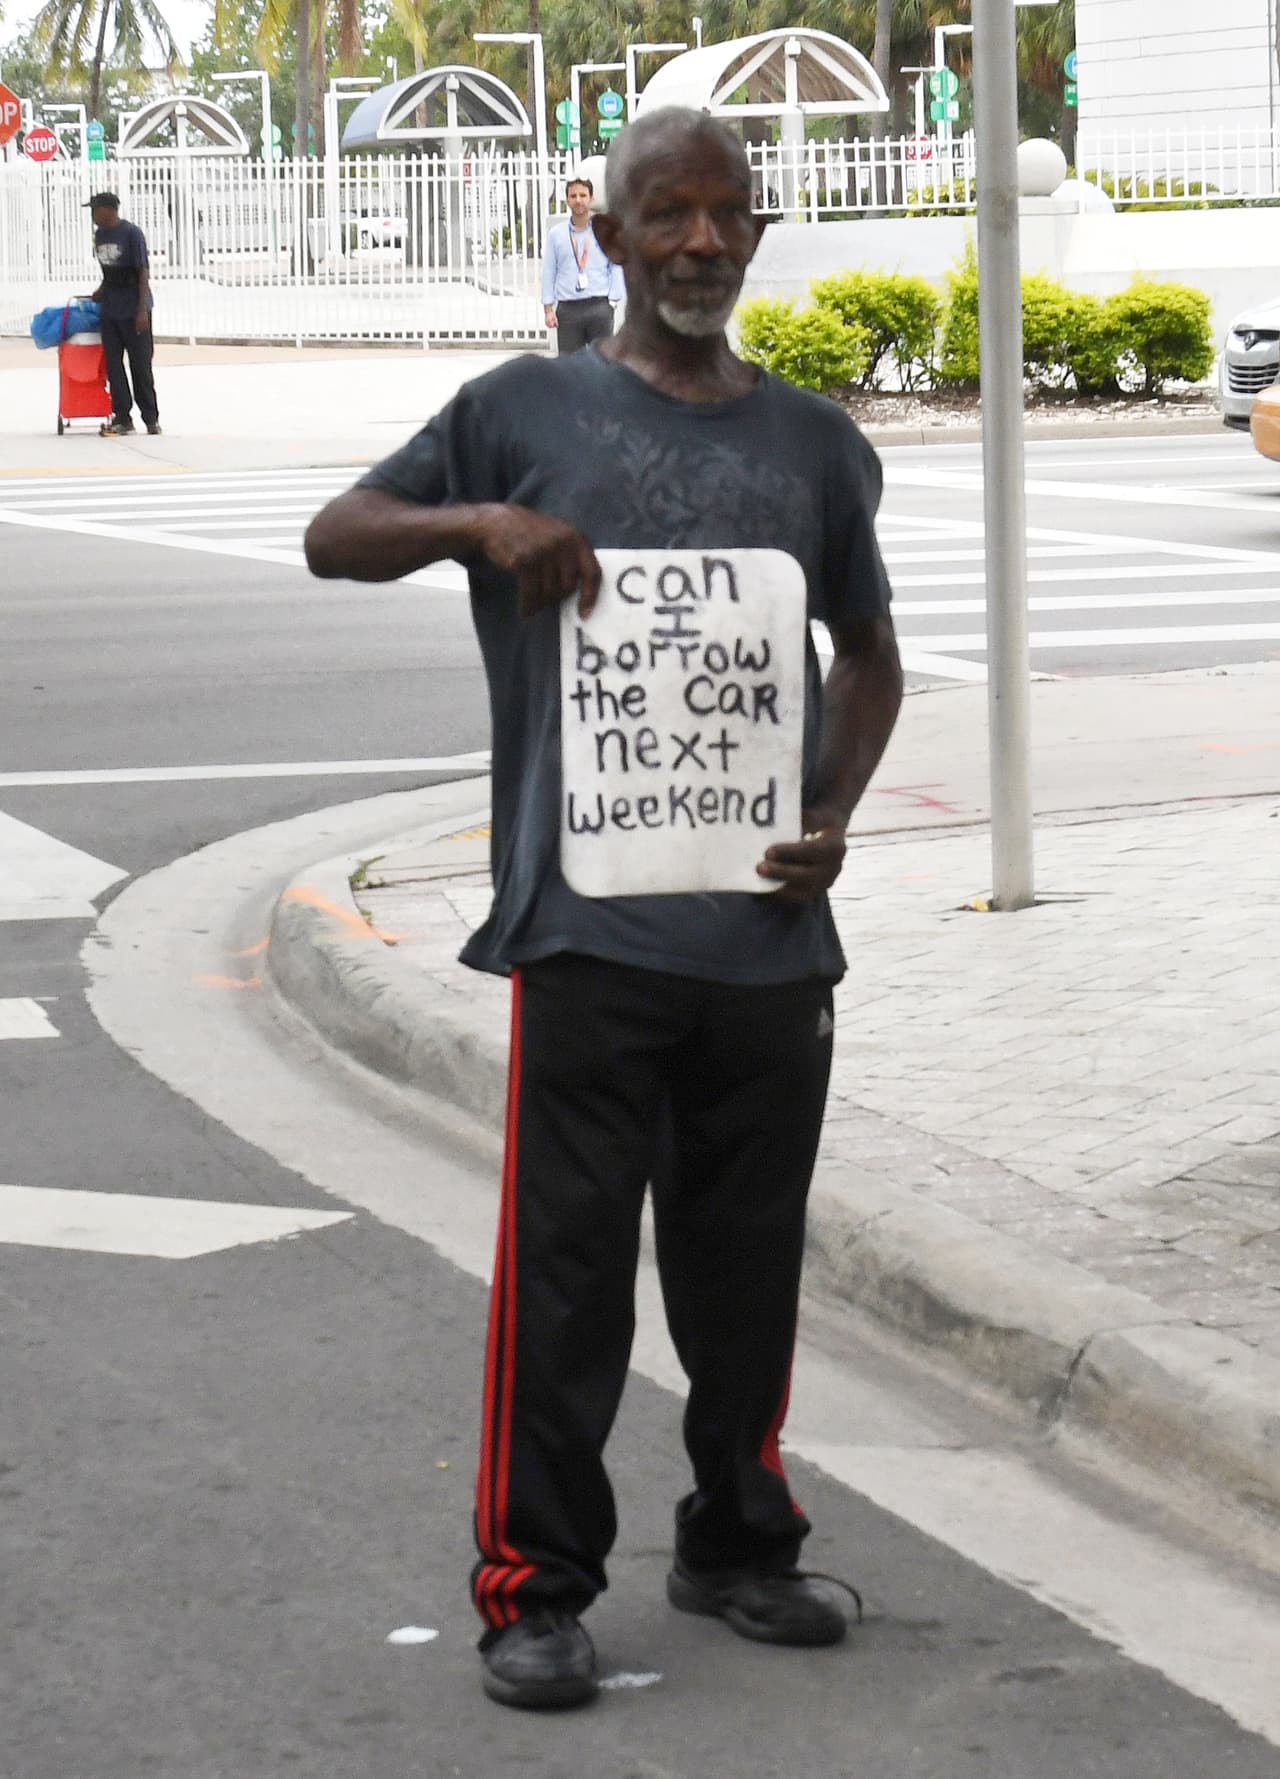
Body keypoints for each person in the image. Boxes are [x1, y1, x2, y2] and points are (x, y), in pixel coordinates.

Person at [305, 106, 902, 1713]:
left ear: (758, 235)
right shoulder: (519, 411)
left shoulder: (816, 447)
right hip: (586, 933)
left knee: (746, 1267)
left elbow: (870, 654)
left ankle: (737, 1536)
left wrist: (832, 812)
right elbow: (335, 534)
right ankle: (534, 1584)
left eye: (727, 215)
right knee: (568, 1275)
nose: (700, 242)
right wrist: (478, 526)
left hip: (767, 943)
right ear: (613, 232)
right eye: (667, 214)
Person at [84, 192, 160, 437]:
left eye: (96, 210)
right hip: (111, 310)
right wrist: (101, 290)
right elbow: (109, 272)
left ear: (110, 209)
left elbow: (142, 272)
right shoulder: (100, 235)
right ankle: (122, 416)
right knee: (114, 367)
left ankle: (150, 418)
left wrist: (142, 311)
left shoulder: (131, 234)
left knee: (141, 366)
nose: (93, 215)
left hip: (134, 309)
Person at [541, 175, 624, 354]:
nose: (578, 200)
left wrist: (613, 300)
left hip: (600, 306)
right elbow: (549, 270)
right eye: (573, 196)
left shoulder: (603, 230)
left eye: (583, 195)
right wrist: (548, 309)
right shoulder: (557, 234)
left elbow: (615, 264)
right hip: (568, 309)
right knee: (570, 368)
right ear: (567, 200)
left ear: (591, 199)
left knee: (602, 365)